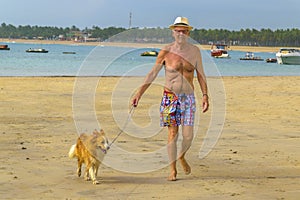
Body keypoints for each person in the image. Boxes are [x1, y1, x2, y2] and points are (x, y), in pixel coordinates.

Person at [131, 16, 209, 181]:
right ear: (173, 32)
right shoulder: (166, 51)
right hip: (169, 98)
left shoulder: (194, 51)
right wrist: (139, 93)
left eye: (184, 31)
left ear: (188, 33)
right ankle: (172, 170)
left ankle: (181, 156)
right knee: (173, 133)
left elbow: (201, 74)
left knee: (188, 136)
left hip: (188, 98)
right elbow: (152, 73)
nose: (181, 33)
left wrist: (205, 95)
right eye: (177, 30)